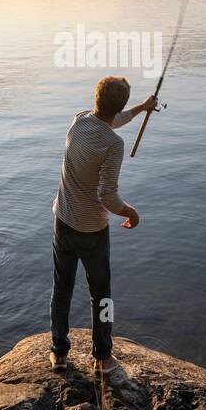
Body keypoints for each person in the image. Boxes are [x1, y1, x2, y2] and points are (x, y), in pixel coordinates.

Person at [49, 75, 157, 374]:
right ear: (118, 105)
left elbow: (109, 119)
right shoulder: (113, 144)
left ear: (95, 99)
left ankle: (58, 353)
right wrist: (131, 213)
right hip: (91, 231)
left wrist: (141, 108)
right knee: (102, 295)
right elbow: (106, 196)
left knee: (62, 288)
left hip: (62, 221)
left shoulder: (79, 121)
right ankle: (103, 357)